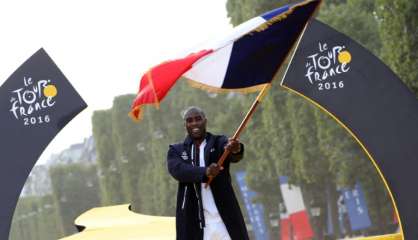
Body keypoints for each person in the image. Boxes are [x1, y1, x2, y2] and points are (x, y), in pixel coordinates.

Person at [167, 106, 249, 240]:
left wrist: (236, 148)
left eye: (198, 119)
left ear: (205, 121)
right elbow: (178, 170)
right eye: (190, 120)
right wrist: (206, 171)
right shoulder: (176, 150)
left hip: (225, 220)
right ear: (185, 125)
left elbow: (234, 155)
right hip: (195, 223)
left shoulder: (219, 142)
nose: (194, 123)